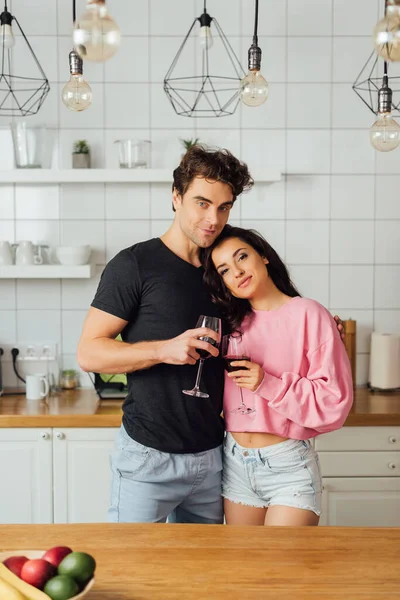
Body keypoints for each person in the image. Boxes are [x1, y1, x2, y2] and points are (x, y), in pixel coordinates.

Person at [77, 145, 345, 525]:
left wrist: (320, 328)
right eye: (202, 203)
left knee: (206, 578)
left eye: (224, 207)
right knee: (134, 565)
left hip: (214, 457)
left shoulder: (222, 270)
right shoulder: (134, 265)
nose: (213, 218)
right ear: (176, 197)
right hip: (148, 454)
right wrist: (164, 350)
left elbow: (269, 322)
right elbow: (89, 353)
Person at [202, 225, 353, 526]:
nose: (237, 272)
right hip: (234, 462)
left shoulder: (309, 314)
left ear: (264, 256)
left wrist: (266, 383)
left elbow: (334, 402)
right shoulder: (230, 324)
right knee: (245, 570)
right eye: (224, 270)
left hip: (288, 466)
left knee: (283, 570)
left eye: (242, 257)